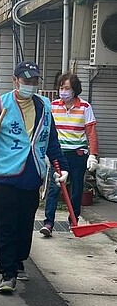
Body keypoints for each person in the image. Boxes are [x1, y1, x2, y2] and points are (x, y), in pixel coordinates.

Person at [0, 61, 69, 294]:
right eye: (26, 81)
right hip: (5, 175)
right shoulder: (1, 105)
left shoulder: (44, 106)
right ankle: (7, 272)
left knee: (25, 224)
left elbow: (51, 140)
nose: (31, 85)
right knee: (5, 225)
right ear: (15, 81)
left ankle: (19, 260)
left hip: (32, 174)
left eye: (34, 81)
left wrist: (61, 167)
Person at [40, 72, 99, 237]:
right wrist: (44, 152)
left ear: (75, 90)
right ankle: (48, 223)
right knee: (54, 188)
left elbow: (91, 132)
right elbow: (46, 131)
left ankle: (73, 220)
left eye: (67, 88)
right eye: (61, 87)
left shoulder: (85, 107)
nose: (63, 91)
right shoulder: (53, 106)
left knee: (77, 189)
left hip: (78, 154)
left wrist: (93, 155)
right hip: (58, 154)